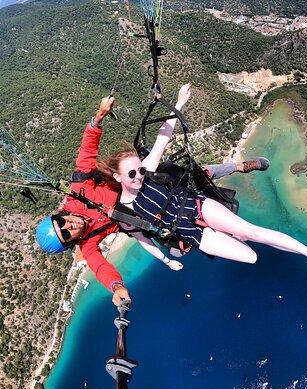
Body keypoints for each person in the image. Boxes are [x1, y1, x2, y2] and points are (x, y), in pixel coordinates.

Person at [35, 87, 270, 305]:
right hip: (140, 212)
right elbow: (100, 268)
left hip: (137, 182)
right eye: (66, 234)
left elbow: (86, 153)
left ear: (60, 215)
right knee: (181, 239)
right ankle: (231, 234)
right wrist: (117, 287)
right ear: (71, 242)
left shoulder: (78, 192)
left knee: (194, 174)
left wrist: (99, 117)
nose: (70, 225)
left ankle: (238, 167)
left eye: (61, 223)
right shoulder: (88, 244)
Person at [98, 83, 307, 279]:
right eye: (132, 174)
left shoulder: (148, 170)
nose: (139, 176)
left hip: (196, 206)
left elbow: (164, 136)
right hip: (191, 233)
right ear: (118, 178)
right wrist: (167, 260)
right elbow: (143, 239)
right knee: (251, 257)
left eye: (139, 170)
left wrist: (179, 102)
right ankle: (234, 232)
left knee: (253, 232)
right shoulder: (125, 212)